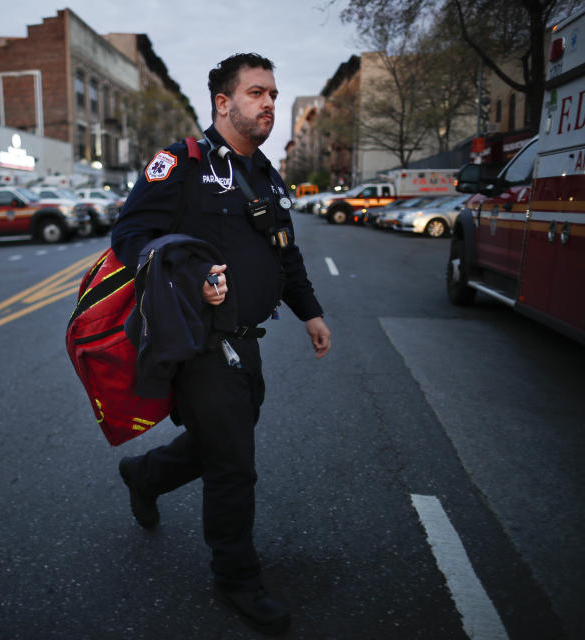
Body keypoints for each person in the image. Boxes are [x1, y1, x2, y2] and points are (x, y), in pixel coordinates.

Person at [110, 53, 331, 635]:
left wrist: (309, 311)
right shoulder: (180, 162)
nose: (268, 104)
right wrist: (189, 277)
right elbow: (131, 236)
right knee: (233, 465)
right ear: (223, 102)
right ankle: (237, 577)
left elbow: (284, 252)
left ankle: (148, 475)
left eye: (274, 95)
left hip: (246, 339)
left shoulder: (265, 173)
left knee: (223, 440)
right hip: (200, 339)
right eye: (257, 92)